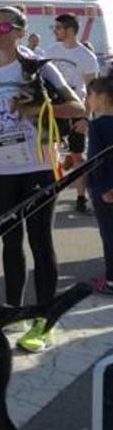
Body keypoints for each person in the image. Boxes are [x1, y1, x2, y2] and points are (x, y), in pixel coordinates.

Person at [0, 6, 85, 353]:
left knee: (39, 241)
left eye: (6, 26)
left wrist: (39, 109)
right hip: (4, 168)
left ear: (20, 32)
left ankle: (45, 319)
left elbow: (79, 107)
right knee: (9, 243)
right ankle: (14, 312)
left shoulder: (39, 66)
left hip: (39, 165)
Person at [46, 13, 100, 213]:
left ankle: (80, 197)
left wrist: (86, 117)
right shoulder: (50, 51)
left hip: (77, 109)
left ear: (70, 30)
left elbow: (92, 91)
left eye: (58, 27)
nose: (55, 31)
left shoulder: (86, 57)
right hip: (55, 109)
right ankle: (51, 192)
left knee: (78, 156)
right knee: (51, 152)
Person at [86, 70, 113, 295]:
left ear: (102, 97)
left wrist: (104, 188)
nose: (88, 100)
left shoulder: (97, 126)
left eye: (90, 95)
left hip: (104, 190)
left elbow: (96, 160)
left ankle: (111, 279)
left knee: (108, 233)